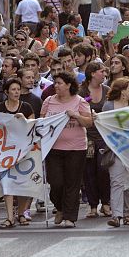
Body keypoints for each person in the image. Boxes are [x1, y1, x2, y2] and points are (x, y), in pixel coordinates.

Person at [41, 71, 93, 228]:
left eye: (59, 83)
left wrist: (76, 116)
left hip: (76, 148)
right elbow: (41, 122)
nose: (55, 86)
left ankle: (70, 217)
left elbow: (89, 122)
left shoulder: (80, 101)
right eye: (55, 83)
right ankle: (60, 207)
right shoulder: (49, 101)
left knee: (72, 183)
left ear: (69, 85)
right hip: (53, 148)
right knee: (55, 182)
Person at [0, 78, 35, 228]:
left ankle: (22, 213)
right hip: (5, 151)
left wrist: (24, 120)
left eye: (18, 89)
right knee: (7, 183)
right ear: (6, 92)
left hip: (23, 151)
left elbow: (33, 127)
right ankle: (10, 217)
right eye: (13, 89)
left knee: (21, 182)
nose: (16, 92)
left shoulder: (26, 107)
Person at [101, 77, 129, 228]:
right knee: (116, 182)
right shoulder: (108, 106)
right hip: (115, 149)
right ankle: (116, 215)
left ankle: (127, 214)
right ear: (123, 91)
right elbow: (103, 125)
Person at [78, 61, 112, 219]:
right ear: (92, 73)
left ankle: (106, 203)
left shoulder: (108, 90)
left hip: (104, 136)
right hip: (86, 136)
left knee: (103, 170)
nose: (104, 74)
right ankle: (93, 205)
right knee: (89, 172)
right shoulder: (81, 91)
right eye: (102, 71)